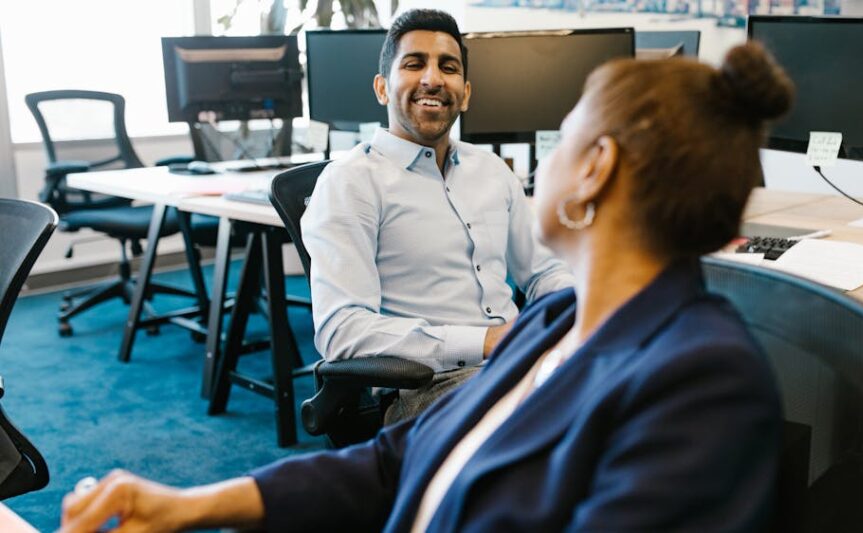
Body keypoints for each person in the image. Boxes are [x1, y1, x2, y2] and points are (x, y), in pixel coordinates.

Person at [59, 42, 794, 532]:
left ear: (595, 168)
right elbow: (400, 456)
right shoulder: (562, 321)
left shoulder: (701, 380)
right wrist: (193, 502)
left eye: (563, 131)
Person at [301, 9, 574, 422]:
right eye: (414, 64)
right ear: (381, 88)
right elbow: (343, 331)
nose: (432, 79)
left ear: (465, 93)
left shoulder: (493, 171)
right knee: (570, 426)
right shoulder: (349, 182)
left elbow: (542, 271)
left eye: (448, 67)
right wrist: (484, 342)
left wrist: (579, 308)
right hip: (429, 387)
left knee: (649, 388)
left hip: (520, 362)